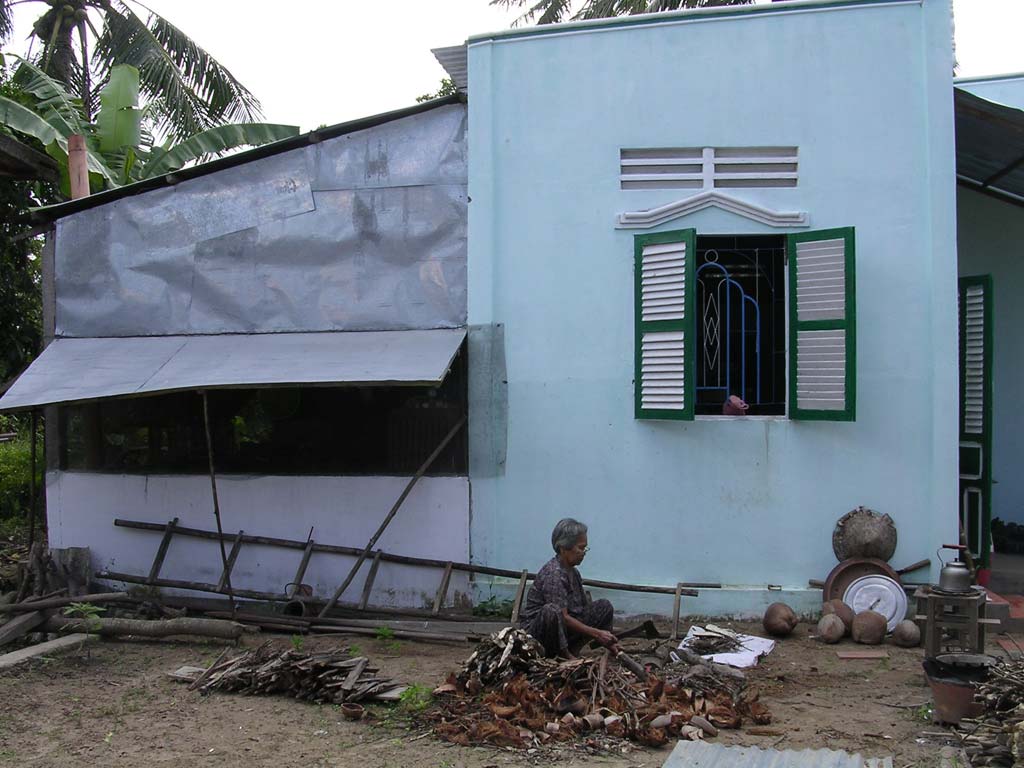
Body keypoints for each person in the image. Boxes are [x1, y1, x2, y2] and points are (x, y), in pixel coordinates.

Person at [519, 517, 618, 658]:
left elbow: (583, 610)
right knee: (552, 611)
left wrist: (604, 635)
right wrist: (597, 633)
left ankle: (604, 645)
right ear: (563, 548)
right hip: (539, 637)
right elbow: (563, 617)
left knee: (604, 606)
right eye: (580, 548)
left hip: (564, 631)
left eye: (585, 548)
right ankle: (564, 655)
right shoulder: (554, 574)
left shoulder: (573, 572)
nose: (584, 552)